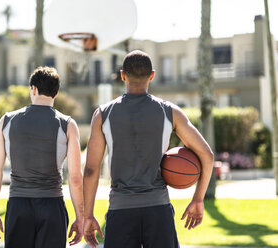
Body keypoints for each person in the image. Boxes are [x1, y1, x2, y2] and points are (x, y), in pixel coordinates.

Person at [83, 50, 214, 248]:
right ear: (152, 75)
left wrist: (88, 215)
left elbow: (91, 170)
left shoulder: (103, 114)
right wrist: (198, 199)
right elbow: (207, 155)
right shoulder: (170, 111)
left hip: (120, 210)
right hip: (158, 209)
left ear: (122, 75)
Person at [0, 66, 84, 248]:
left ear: (33, 89)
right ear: (56, 93)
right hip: (52, 206)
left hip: (18, 206)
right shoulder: (67, 125)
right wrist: (80, 217)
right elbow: (76, 178)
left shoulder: (7, 121)